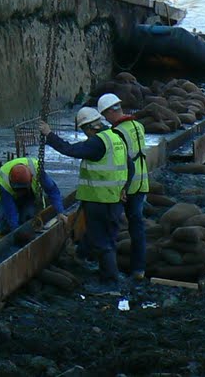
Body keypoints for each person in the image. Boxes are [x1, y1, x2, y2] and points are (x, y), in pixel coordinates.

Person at [39, 106, 130, 289]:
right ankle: (90, 263)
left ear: (89, 127)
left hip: (100, 201)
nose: (85, 134)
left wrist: (49, 135)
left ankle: (110, 283)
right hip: (113, 200)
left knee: (103, 243)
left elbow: (70, 150)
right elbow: (130, 166)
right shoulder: (116, 137)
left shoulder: (97, 142)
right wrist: (124, 188)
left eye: (84, 130)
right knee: (108, 238)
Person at [98, 92, 150, 280]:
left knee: (111, 225)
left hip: (126, 187)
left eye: (105, 115)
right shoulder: (138, 126)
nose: (105, 119)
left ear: (111, 111)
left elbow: (124, 161)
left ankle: (109, 271)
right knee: (137, 228)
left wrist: (122, 189)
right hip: (142, 184)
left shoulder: (118, 132)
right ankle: (139, 269)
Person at [0, 154, 65, 237]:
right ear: (11, 180)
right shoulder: (4, 182)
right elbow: (10, 210)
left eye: (23, 189)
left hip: (27, 192)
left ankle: (23, 224)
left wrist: (60, 212)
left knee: (28, 215)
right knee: (5, 220)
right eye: (19, 189)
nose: (21, 192)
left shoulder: (37, 170)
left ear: (31, 178)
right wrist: (16, 231)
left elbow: (52, 190)